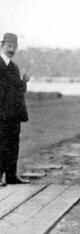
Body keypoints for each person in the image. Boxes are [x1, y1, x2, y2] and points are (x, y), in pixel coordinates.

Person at [0, 33, 30, 186]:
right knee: (1, 144)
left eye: (14, 47)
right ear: (2, 45)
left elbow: (18, 90)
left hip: (14, 114)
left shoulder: (14, 66)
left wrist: (24, 82)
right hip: (1, 113)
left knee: (13, 144)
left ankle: (11, 176)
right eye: (9, 46)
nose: (11, 49)